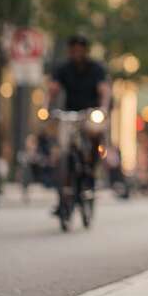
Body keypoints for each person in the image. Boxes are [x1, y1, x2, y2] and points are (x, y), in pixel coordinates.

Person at [46, 35, 110, 209]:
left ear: (85, 51)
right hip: (69, 114)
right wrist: (47, 106)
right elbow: (53, 88)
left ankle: (90, 173)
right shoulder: (63, 68)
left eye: (80, 49)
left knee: (94, 137)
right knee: (63, 149)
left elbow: (103, 90)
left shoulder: (96, 68)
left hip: (90, 113)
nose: (76, 53)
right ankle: (63, 193)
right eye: (73, 49)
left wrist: (103, 108)